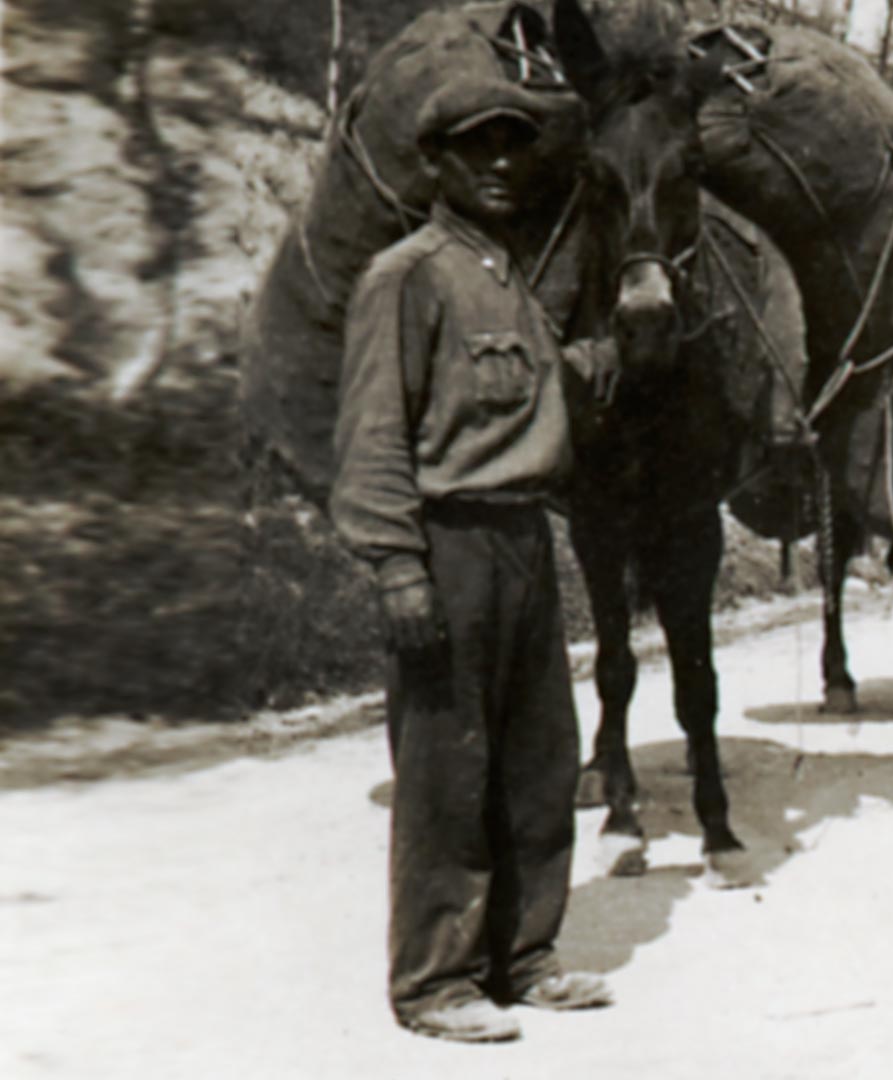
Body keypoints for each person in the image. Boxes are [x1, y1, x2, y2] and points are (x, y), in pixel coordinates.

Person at [330, 76, 615, 1044]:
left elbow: (532, 404)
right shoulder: (406, 277)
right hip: (448, 544)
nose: (499, 165)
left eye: (515, 147)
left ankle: (523, 957)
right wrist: (398, 567)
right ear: (437, 164)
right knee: (448, 772)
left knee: (536, 764)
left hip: (525, 540)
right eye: (476, 149)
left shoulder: (509, 277)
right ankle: (434, 982)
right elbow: (373, 434)